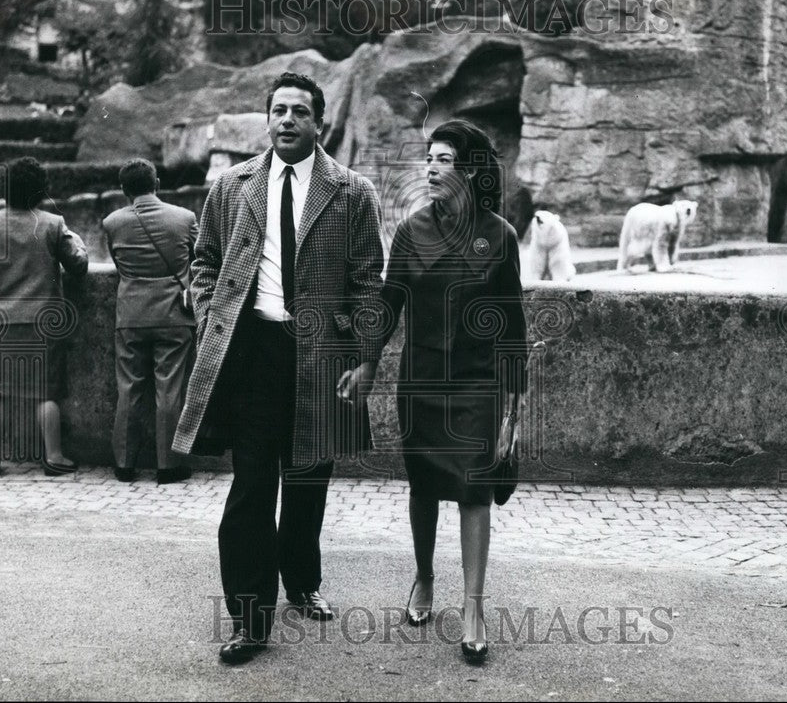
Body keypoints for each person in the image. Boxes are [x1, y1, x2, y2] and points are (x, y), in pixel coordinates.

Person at [170, 72, 384, 664]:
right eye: (279, 111)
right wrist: (211, 309)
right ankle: (248, 616)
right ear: (268, 120)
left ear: (319, 124)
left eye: (300, 112)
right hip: (251, 351)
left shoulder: (353, 192)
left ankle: (303, 583)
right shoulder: (232, 185)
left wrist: (365, 358)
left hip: (321, 353)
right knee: (252, 484)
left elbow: (370, 280)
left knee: (309, 478)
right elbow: (204, 259)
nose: (287, 120)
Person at [343, 120, 527, 664]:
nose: (430, 167)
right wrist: (368, 364)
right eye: (428, 157)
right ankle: (424, 577)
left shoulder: (501, 236)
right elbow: (388, 302)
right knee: (423, 485)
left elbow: (513, 328)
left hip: (477, 384)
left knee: (474, 489)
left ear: (469, 170)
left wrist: (513, 409)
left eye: (443, 158)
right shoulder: (410, 231)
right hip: (420, 380)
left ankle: (473, 607)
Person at [0, 156, 89, 477]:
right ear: (40, 191)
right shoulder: (51, 223)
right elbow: (78, 265)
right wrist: (79, 243)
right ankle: (53, 456)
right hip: (41, 320)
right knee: (46, 392)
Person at [102, 159, 199, 484]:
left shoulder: (112, 222)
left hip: (131, 315)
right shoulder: (184, 218)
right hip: (174, 314)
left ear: (124, 189)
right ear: (156, 182)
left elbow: (117, 263)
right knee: (169, 390)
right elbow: (200, 260)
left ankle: (124, 465)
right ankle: (169, 466)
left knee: (128, 389)